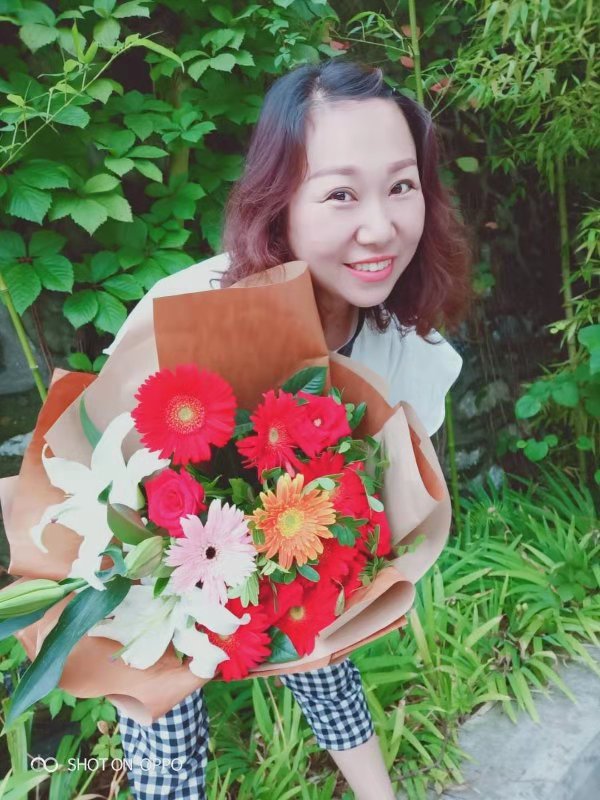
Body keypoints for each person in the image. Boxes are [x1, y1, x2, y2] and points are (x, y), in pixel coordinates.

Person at [109, 58, 471, 800]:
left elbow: (394, 509)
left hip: (297, 558)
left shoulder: (409, 349)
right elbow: (107, 482)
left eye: (402, 186)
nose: (381, 227)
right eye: (341, 193)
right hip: (159, 575)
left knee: (327, 654)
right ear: (278, 203)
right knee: (164, 734)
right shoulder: (188, 316)